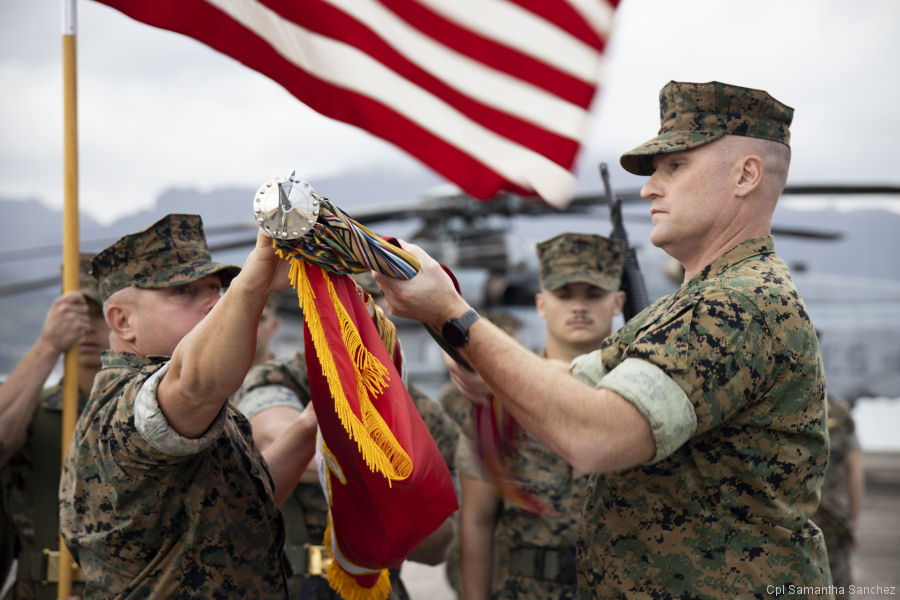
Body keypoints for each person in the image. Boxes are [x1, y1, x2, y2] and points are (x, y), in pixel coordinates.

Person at [373, 80, 831, 598]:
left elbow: (597, 434)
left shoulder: (737, 304)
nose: (648, 188)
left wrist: (455, 315)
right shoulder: (686, 306)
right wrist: (487, 368)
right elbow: (573, 380)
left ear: (746, 175)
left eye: (675, 167)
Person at [59, 214, 318, 598]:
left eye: (214, 286)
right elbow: (195, 383)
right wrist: (252, 284)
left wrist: (313, 421)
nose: (213, 302)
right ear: (123, 321)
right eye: (182, 292)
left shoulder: (193, 403)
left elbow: (242, 503)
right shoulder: (126, 402)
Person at [231, 271, 457, 599]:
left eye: (361, 303)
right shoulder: (282, 377)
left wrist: (399, 513)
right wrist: (381, 465)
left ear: (386, 311)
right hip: (289, 584)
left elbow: (439, 546)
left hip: (376, 586)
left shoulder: (420, 409)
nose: (347, 317)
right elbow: (271, 434)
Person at [455, 233, 625, 600]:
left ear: (618, 302)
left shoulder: (638, 396)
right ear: (541, 304)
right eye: (564, 295)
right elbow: (477, 519)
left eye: (593, 295)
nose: (579, 307)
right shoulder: (503, 395)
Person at [0, 254, 108, 599]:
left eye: (101, 314)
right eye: (77, 314)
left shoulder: (146, 410)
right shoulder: (33, 409)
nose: (87, 327)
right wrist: (49, 344)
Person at [813, 395, 864, 599]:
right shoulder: (839, 412)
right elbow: (855, 470)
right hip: (832, 519)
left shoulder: (783, 404)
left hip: (793, 520)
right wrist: (854, 519)